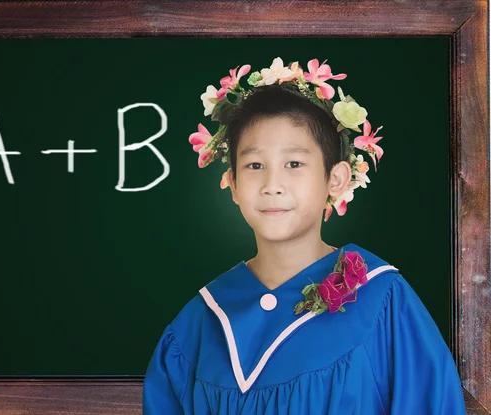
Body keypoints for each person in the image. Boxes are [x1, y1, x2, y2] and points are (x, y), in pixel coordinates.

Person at [142, 57, 467, 414]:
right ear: (232, 184)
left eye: (294, 164)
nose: (272, 185)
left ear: (336, 179)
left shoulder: (383, 300)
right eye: (254, 166)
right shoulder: (197, 326)